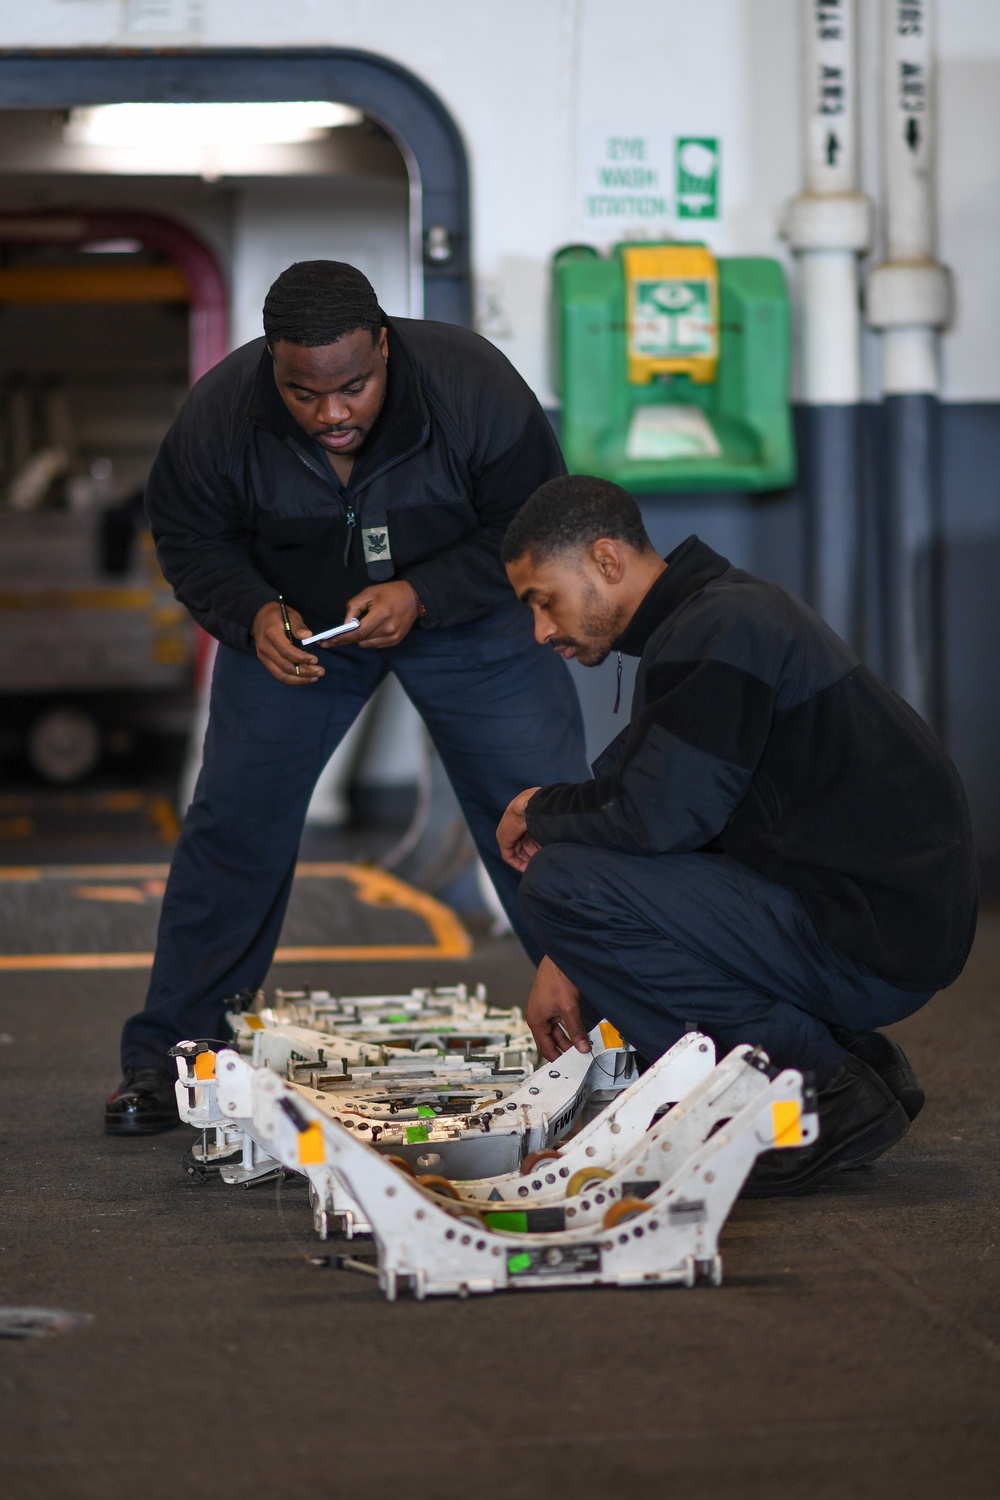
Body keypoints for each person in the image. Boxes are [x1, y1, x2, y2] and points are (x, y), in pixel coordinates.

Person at [105, 261, 587, 1136]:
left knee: (543, 818)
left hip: (469, 620)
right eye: (303, 393)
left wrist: (424, 593)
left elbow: (532, 527)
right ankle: (173, 1055)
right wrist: (252, 613)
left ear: (385, 349)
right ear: (271, 369)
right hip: (304, 634)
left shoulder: (472, 387)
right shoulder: (220, 418)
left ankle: (620, 1032)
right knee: (234, 823)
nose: (332, 413)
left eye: (354, 387)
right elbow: (191, 537)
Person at [496, 474, 978, 1194]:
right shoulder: (711, 618)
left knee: (562, 884)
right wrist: (568, 955)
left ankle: (809, 1087)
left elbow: (657, 820)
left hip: (873, 935)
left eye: (544, 601)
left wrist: (536, 809)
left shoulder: (719, 631)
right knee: (574, 877)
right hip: (875, 916)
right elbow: (654, 804)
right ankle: (843, 1060)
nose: (541, 631)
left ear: (604, 561)